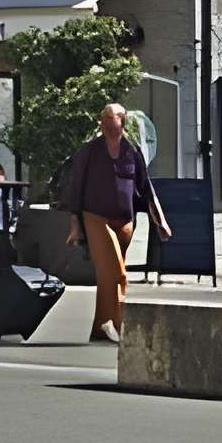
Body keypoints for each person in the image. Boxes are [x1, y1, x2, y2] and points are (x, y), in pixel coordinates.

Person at [61, 103, 168, 342]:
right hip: (96, 217)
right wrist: (75, 224)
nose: (107, 125)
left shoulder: (132, 150)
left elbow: (145, 186)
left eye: (112, 120)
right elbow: (76, 188)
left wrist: (159, 220)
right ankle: (119, 326)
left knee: (106, 276)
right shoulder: (90, 151)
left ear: (122, 122)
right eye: (104, 120)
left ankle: (100, 328)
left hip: (125, 221)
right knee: (117, 274)